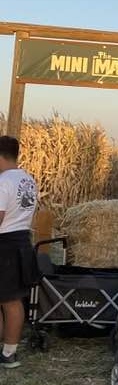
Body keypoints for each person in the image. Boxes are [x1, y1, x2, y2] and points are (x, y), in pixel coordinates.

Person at [0, 136, 39, 370]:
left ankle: (9, 353)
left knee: (10, 301)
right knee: (10, 299)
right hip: (22, 239)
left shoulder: (3, 181)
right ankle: (8, 349)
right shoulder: (28, 179)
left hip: (4, 243)